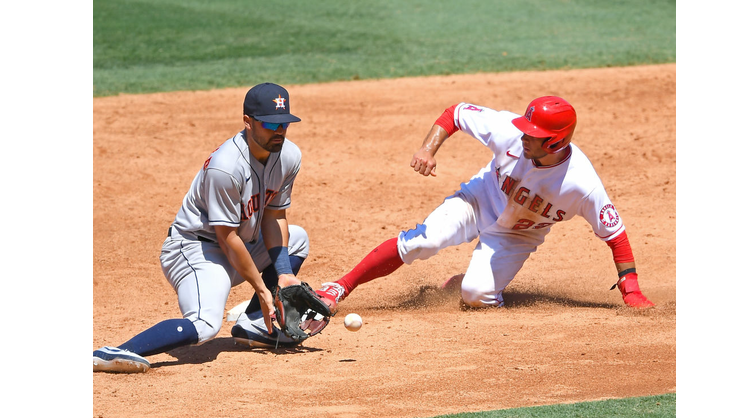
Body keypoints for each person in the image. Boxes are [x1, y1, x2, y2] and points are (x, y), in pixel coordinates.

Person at [313, 96, 654, 315]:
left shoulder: (582, 184)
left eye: (533, 133)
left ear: (556, 141)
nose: (523, 136)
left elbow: (615, 234)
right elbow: (455, 113)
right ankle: (340, 286)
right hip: (477, 201)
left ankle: (464, 280)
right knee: (424, 241)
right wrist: (427, 149)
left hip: (516, 237)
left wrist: (631, 289)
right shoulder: (510, 132)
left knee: (476, 296)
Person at [94, 83, 314, 373]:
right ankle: (115, 352)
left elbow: (274, 216)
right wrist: (262, 289)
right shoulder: (225, 167)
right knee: (206, 324)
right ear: (247, 122)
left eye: (284, 123)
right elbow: (226, 238)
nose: (279, 131)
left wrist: (283, 273)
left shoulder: (288, 156)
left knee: (296, 239)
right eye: (269, 123)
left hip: (238, 245)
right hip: (195, 249)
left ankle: (253, 325)